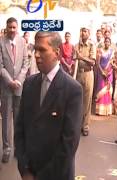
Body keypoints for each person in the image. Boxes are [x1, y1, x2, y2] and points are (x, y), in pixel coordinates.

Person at [14, 31, 83, 180]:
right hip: (29, 172)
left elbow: (69, 144)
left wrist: (41, 177)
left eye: (42, 50)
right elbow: (20, 130)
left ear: (57, 53)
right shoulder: (29, 84)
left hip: (57, 175)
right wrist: (25, 170)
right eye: (35, 49)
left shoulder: (72, 90)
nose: (36, 55)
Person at [0, 17, 30, 163]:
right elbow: (0, 66)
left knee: (19, 118)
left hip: (19, 86)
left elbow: (26, 63)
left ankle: (19, 148)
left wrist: (18, 80)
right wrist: (9, 81)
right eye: (10, 27)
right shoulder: (0, 42)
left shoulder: (22, 42)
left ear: (17, 28)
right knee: (6, 119)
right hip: (6, 87)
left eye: (14, 27)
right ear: (6, 27)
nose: (12, 30)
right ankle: (6, 149)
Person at [74, 27, 96, 136]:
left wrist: (81, 57)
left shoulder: (92, 45)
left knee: (87, 101)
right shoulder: (76, 45)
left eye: (85, 31)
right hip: (78, 74)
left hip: (88, 74)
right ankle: (78, 124)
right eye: (81, 31)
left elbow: (92, 62)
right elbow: (74, 59)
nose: (83, 33)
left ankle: (85, 126)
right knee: (78, 100)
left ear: (89, 33)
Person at [95, 37, 114, 116]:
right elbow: (97, 63)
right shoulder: (100, 51)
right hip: (101, 73)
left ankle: (107, 110)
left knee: (108, 90)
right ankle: (100, 111)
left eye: (108, 42)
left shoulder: (112, 52)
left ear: (110, 43)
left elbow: (113, 63)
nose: (107, 43)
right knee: (101, 88)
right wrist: (102, 72)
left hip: (109, 73)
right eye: (105, 41)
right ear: (104, 42)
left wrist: (109, 72)